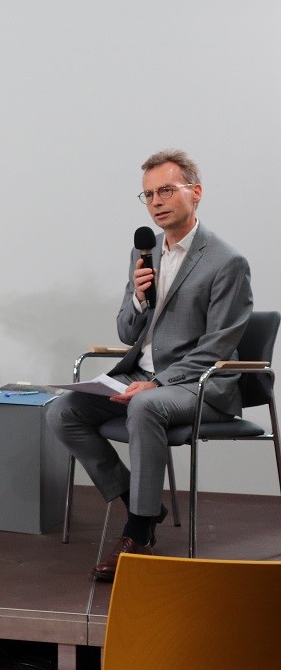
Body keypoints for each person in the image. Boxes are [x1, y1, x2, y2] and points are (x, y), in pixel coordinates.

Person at [46, 150, 252, 581]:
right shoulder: (146, 252)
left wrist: (157, 383)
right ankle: (139, 503)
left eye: (166, 190)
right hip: (144, 375)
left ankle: (137, 533)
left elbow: (218, 346)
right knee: (63, 411)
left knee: (144, 407)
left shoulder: (226, 261)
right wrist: (140, 297)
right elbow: (126, 332)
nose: (156, 201)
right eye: (148, 195)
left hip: (198, 383)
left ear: (195, 193)